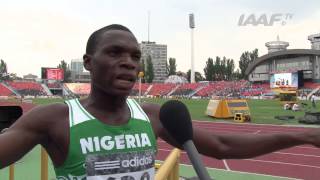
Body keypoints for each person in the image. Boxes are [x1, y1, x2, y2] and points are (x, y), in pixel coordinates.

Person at [1, 24, 320, 179]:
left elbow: (222, 145)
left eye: (135, 56)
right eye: (114, 53)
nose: (129, 62)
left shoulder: (153, 114)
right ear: (88, 62)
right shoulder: (54, 118)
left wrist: (302, 135)